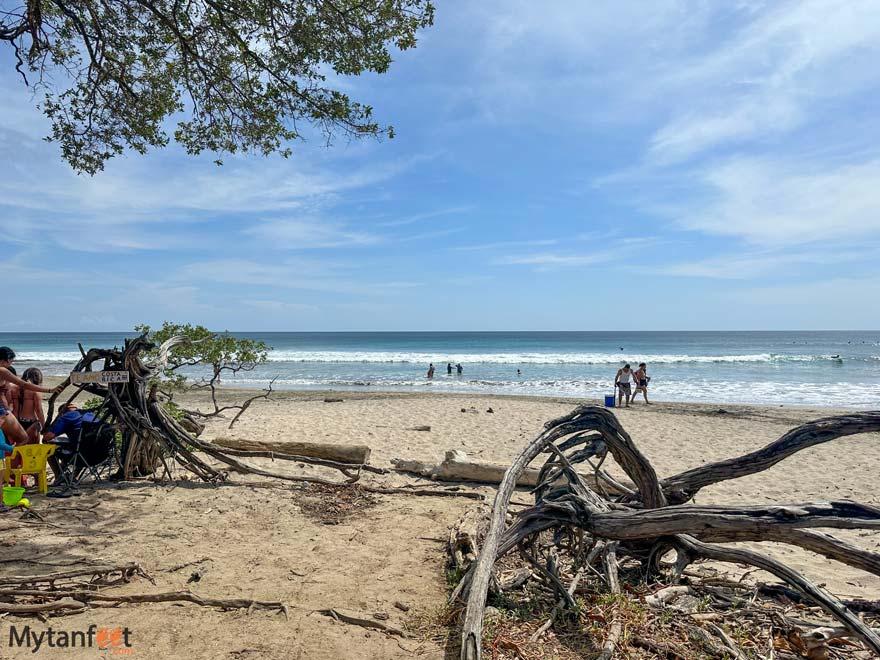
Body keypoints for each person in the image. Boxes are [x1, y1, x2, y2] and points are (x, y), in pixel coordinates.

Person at [0, 347, 60, 447]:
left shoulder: (11, 388)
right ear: (3, 360)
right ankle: (12, 456)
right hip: (2, 412)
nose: (10, 365)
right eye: (10, 361)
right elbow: (24, 384)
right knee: (23, 439)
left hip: (11, 415)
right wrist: (50, 390)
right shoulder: (2, 370)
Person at [42, 402, 98, 481]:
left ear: (62, 412)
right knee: (83, 444)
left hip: (80, 455)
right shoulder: (90, 414)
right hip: (98, 454)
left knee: (50, 450)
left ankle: (59, 476)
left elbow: (48, 437)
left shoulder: (67, 416)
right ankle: (73, 475)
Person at [17, 368, 47, 441]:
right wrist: (44, 425)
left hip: (19, 421)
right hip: (31, 421)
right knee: (33, 446)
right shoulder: (36, 391)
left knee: (23, 446)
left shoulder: (19, 389)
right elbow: (38, 410)